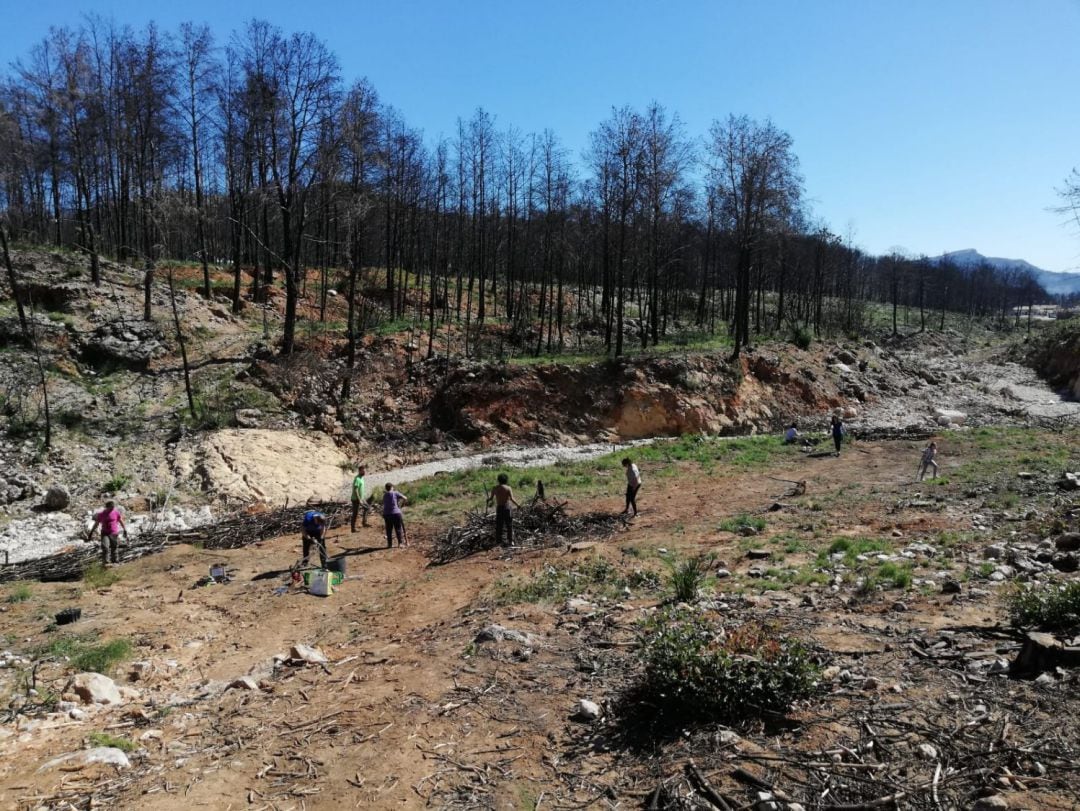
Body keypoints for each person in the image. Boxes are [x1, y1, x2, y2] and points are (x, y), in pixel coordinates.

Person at [87, 500, 127, 565]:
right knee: (105, 547)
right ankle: (106, 562)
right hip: (105, 533)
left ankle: (115, 561)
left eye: (113, 507)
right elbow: (96, 524)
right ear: (107, 507)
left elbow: (120, 521)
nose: (112, 508)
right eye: (111, 507)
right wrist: (91, 532)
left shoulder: (116, 513)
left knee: (114, 548)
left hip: (114, 532)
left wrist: (125, 529)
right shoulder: (101, 514)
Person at [487, 473, 520, 546]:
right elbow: (511, 499)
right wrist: (518, 505)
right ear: (506, 480)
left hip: (499, 508)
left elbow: (491, 499)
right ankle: (510, 541)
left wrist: (488, 500)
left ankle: (498, 541)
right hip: (507, 507)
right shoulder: (508, 488)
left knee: (499, 525)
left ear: (498, 480)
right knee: (509, 525)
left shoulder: (495, 488)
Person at [382, 483, 408, 548]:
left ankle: (389, 544)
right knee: (398, 528)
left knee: (389, 529)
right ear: (391, 487)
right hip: (396, 513)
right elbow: (405, 498)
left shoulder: (384, 495)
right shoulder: (395, 493)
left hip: (387, 514)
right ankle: (400, 543)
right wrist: (402, 505)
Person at [350, 464, 370, 531]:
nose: (364, 472)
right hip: (355, 499)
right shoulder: (357, 479)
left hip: (361, 498)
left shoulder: (362, 478)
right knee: (355, 513)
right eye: (363, 471)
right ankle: (353, 528)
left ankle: (364, 522)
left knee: (367, 507)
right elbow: (355, 490)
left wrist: (362, 498)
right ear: (359, 471)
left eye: (365, 471)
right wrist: (359, 500)